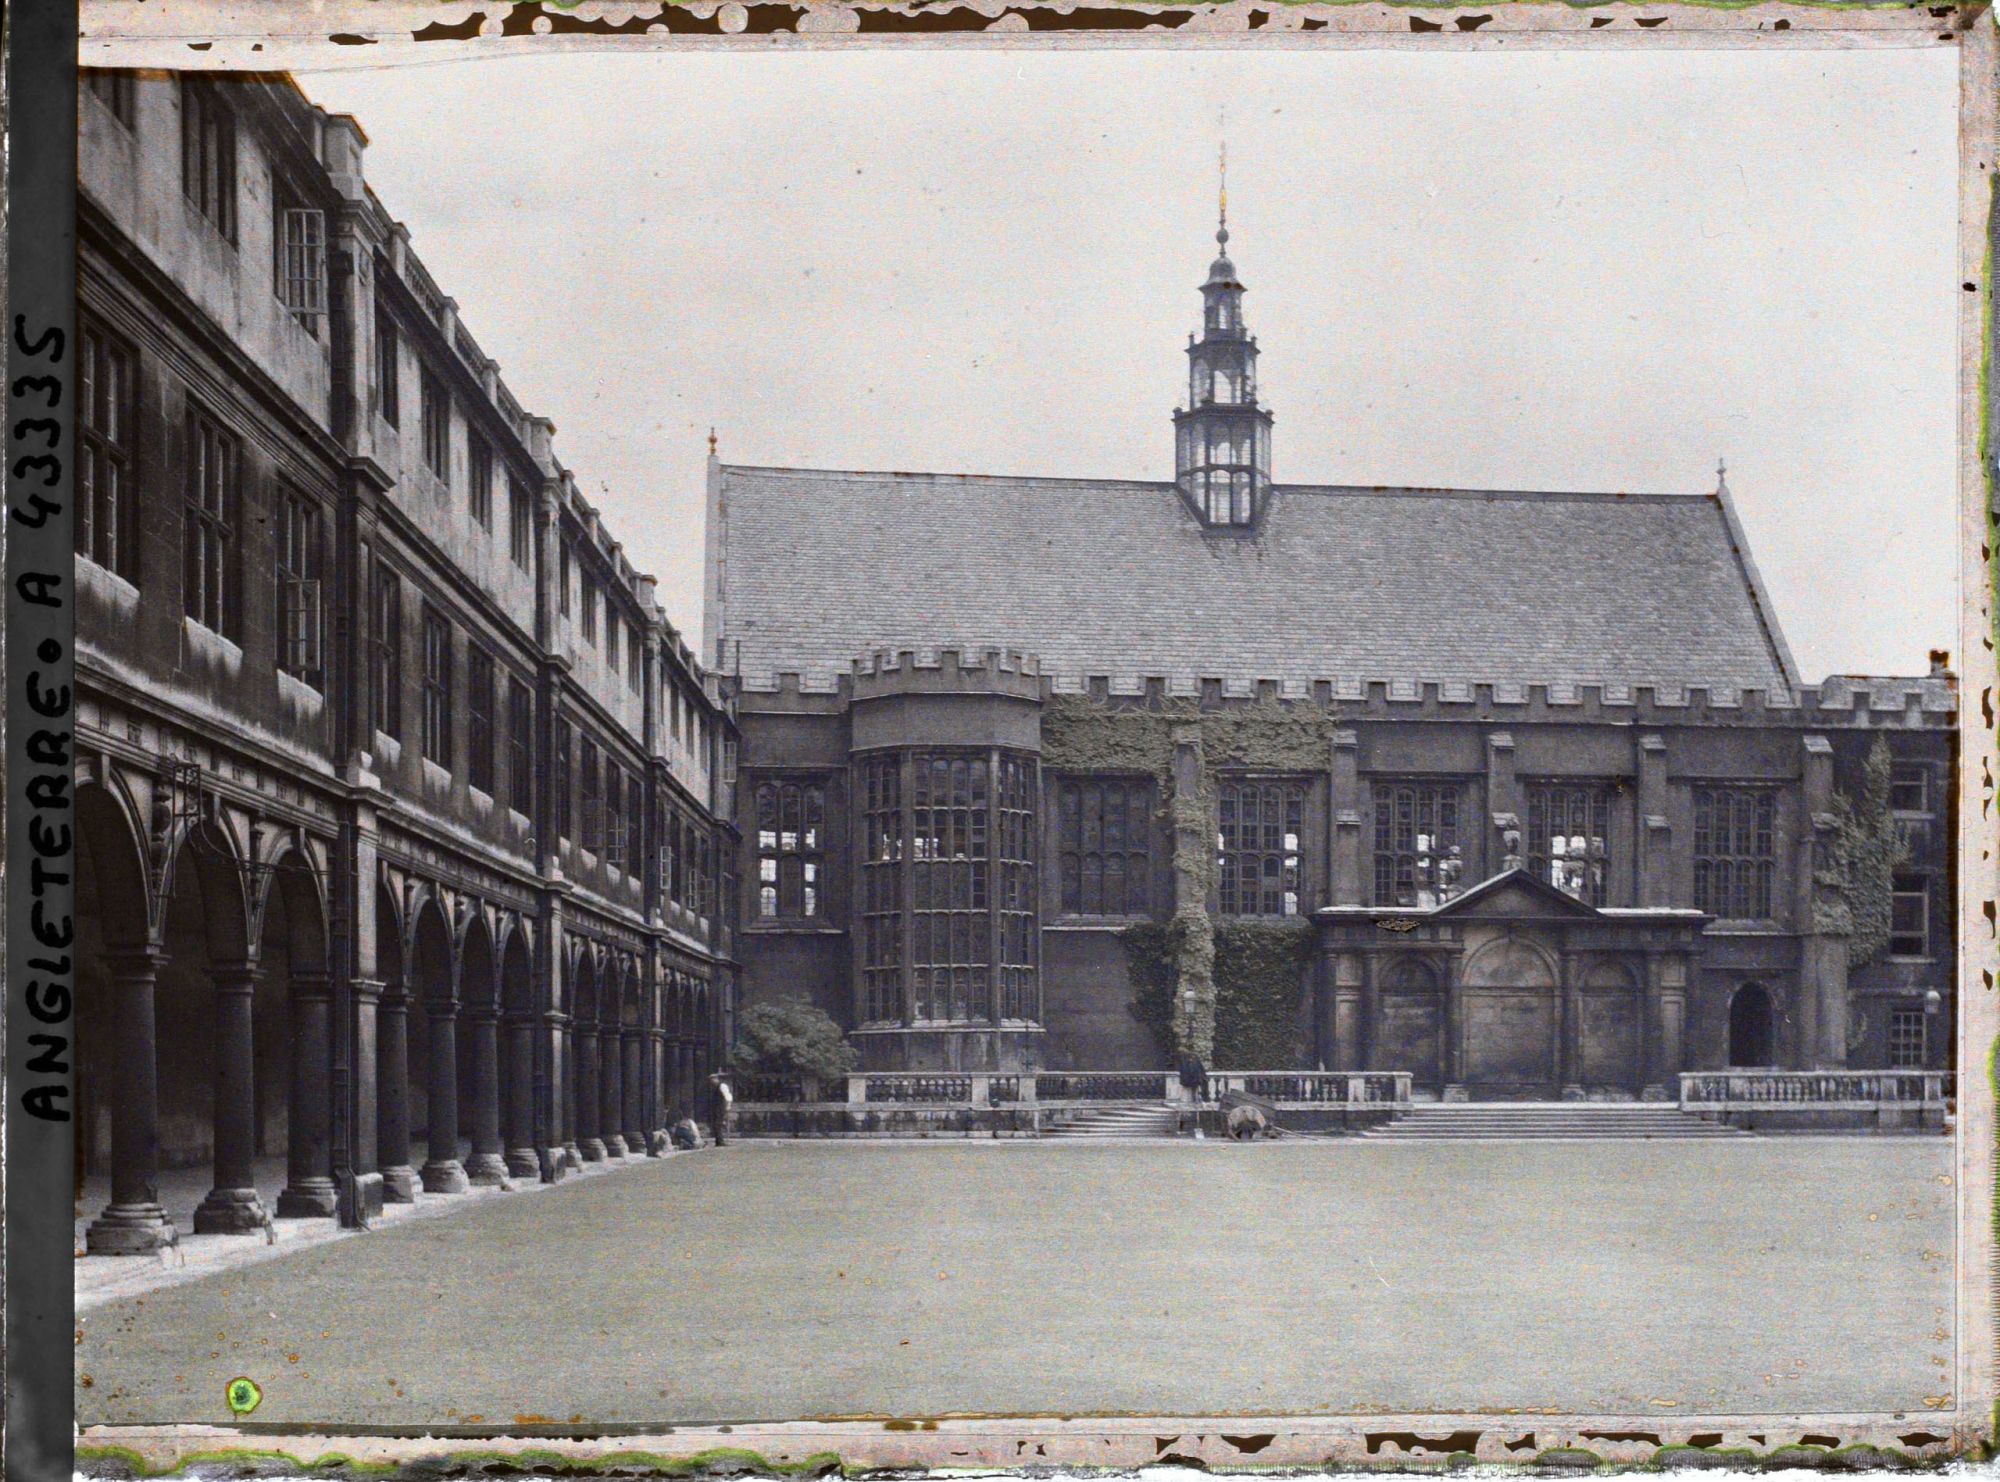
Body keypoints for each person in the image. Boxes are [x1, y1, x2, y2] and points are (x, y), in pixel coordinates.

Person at [706, 1070, 735, 1147]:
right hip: (716, 1107)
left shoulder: (722, 1086)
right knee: (716, 1124)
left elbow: (728, 1096)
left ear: (716, 1079)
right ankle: (718, 1140)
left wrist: (728, 1106)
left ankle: (720, 1141)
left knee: (718, 1123)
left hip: (720, 1107)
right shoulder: (714, 1087)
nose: (711, 1081)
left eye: (712, 1079)